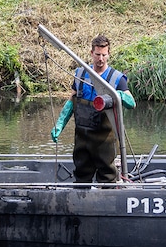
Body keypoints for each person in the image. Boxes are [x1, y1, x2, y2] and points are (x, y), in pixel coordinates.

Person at [50, 34, 136, 184]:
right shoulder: (80, 74)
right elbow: (71, 101)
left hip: (104, 139)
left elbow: (132, 103)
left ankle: (108, 194)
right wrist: (60, 124)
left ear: (108, 54)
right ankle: (81, 195)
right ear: (91, 53)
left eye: (104, 55)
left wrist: (119, 95)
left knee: (107, 175)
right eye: (97, 55)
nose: (100, 59)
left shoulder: (116, 78)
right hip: (82, 137)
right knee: (81, 173)